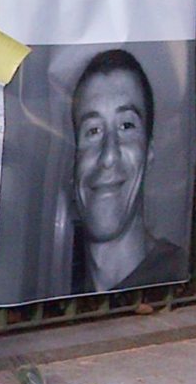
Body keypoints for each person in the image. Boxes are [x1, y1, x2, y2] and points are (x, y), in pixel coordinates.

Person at [68, 47, 186, 293]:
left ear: (149, 150)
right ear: (74, 158)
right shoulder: (56, 292)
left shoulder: (180, 283)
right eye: (93, 130)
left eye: (126, 126)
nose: (109, 156)